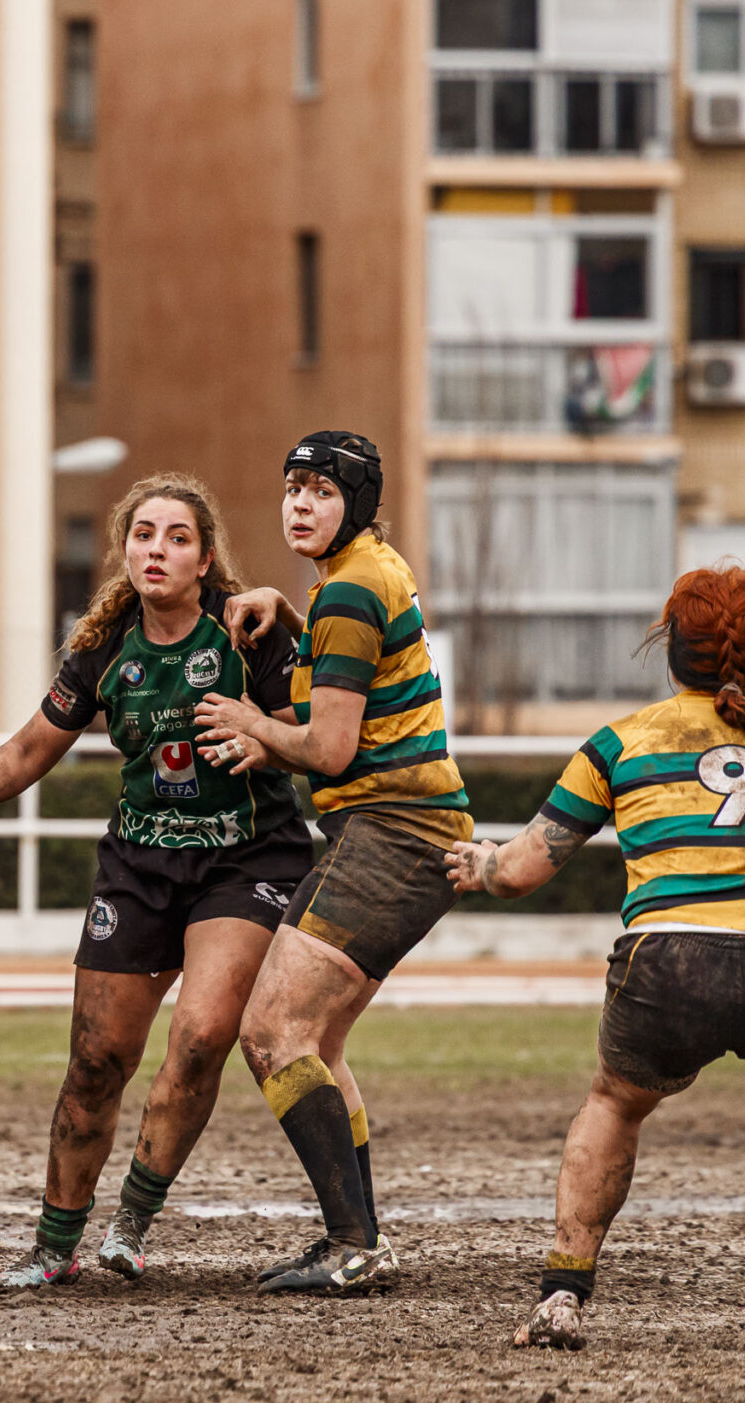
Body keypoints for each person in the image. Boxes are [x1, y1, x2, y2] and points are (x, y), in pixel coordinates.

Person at [448, 564, 745, 1351]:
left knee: (614, 1104)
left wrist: (482, 863)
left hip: (666, 966)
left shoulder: (619, 744)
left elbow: (527, 867)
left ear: (672, 650)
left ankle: (563, 1294)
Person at [0, 474, 315, 1287]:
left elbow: (315, 732)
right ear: (123, 549)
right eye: (142, 534)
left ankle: (131, 1221)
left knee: (202, 1038)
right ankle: (53, 1247)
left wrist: (263, 738)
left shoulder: (248, 633)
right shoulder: (102, 647)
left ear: (206, 559)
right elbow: (30, 748)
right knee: (96, 1061)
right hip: (137, 865)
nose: (155, 548)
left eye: (175, 536)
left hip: (247, 860)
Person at [194, 432, 471, 1295]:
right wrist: (294, 612)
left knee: (271, 1033)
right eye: (291, 488)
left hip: (394, 833)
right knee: (320, 1040)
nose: (299, 504)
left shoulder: (352, 586)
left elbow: (329, 744)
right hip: (400, 832)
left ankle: (353, 1243)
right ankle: (359, 1241)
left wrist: (251, 721)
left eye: (319, 490)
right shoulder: (359, 574)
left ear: (358, 501)